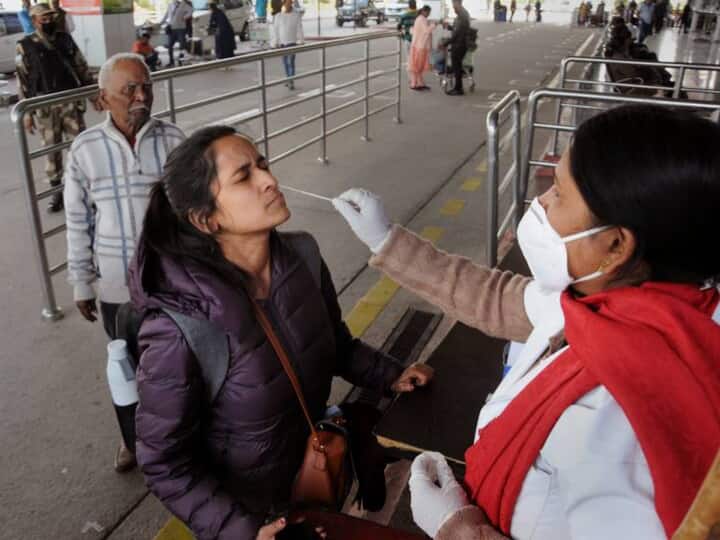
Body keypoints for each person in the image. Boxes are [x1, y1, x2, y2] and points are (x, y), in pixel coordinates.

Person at [332, 105, 720, 539]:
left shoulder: (623, 435)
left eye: (559, 193)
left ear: (615, 246)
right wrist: (387, 240)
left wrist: (457, 529)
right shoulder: (607, 307)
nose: (542, 202)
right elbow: (495, 297)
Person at [128, 125, 433, 540]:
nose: (269, 180)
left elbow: (336, 345)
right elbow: (164, 462)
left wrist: (392, 374)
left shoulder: (302, 256)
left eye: (263, 165)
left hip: (312, 478)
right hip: (250, 516)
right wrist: (242, 530)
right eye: (244, 176)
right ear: (206, 219)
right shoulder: (181, 323)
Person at [63, 53, 186, 473]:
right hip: (116, 284)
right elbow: (78, 220)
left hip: (169, 279)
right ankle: (133, 440)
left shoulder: (173, 139)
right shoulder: (85, 149)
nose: (141, 97)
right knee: (126, 366)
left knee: (176, 362)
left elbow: (191, 210)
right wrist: (82, 281)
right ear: (102, 99)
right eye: (129, 89)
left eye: (146, 87)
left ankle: (181, 436)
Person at [16, 3, 96, 213]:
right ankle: (57, 192)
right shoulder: (25, 45)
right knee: (52, 152)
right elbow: (23, 79)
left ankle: (86, 190)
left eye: (50, 17)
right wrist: (26, 113)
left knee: (80, 147)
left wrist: (93, 94)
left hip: (70, 101)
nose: (48, 21)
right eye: (43, 18)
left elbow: (81, 66)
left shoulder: (65, 39)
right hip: (45, 106)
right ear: (34, 21)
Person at [271, 0, 304, 90]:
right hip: (282, 43)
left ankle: (291, 81)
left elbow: (299, 28)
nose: (289, 5)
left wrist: (301, 40)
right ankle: (288, 79)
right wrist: (274, 43)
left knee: (291, 62)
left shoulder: (296, 15)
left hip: (292, 43)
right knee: (285, 62)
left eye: (290, 3)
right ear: (284, 4)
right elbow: (276, 30)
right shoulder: (279, 16)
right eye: (287, 3)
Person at [408, 5, 435, 90]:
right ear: (424, 11)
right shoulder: (421, 19)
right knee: (417, 66)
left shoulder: (421, 19)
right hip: (419, 46)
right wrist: (433, 25)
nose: (429, 14)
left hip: (420, 45)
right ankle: (414, 84)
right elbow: (426, 31)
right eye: (428, 12)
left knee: (419, 66)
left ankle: (420, 83)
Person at [446, 0, 470, 95]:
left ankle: (458, 89)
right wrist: (449, 27)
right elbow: (457, 29)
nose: (453, 7)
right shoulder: (462, 14)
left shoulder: (462, 15)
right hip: (459, 44)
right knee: (457, 66)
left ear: (458, 3)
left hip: (459, 45)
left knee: (456, 67)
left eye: (454, 4)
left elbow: (457, 33)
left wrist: (446, 43)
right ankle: (458, 87)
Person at [159, 0, 193, 67]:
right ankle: (171, 62)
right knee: (170, 46)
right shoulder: (170, 4)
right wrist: (160, 23)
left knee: (182, 46)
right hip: (172, 28)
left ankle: (181, 61)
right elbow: (166, 15)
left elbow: (191, 10)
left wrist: (185, 17)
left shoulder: (183, 4)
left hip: (181, 28)